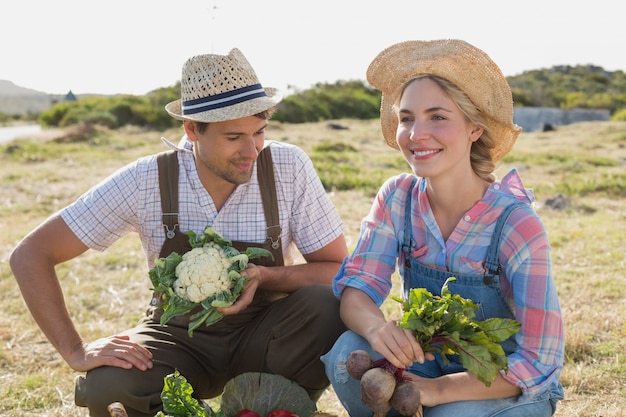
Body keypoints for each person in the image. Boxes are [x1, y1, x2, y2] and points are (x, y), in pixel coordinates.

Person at [10, 48, 348, 417]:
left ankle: (271, 406)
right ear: (191, 129)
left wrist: (267, 275)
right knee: (107, 388)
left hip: (266, 336)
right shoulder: (146, 180)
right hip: (177, 339)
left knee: (327, 304)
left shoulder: (288, 166)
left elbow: (336, 270)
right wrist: (75, 350)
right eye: (234, 136)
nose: (251, 150)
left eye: (259, 132)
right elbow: (30, 255)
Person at [321, 39, 564, 417]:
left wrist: (437, 391)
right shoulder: (397, 198)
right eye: (406, 118)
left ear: (474, 129)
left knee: (447, 415)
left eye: (437, 117)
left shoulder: (516, 224)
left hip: (505, 385)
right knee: (344, 357)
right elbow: (358, 290)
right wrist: (376, 330)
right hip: (428, 363)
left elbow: (539, 359)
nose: (417, 133)